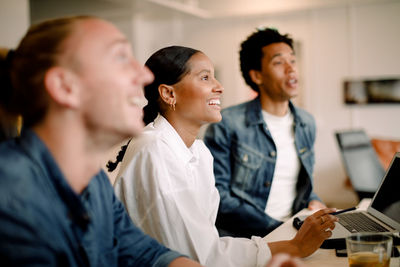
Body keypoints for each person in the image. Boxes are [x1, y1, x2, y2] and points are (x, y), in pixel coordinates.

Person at [0, 16, 203, 267]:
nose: (144, 75)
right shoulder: (9, 196)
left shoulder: (92, 182)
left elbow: (142, 252)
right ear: (64, 87)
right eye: (119, 57)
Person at [110, 45, 338, 267]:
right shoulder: (155, 149)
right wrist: (294, 246)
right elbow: (199, 256)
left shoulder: (198, 151)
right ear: (169, 93)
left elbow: (207, 243)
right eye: (205, 77)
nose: (219, 87)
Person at [203, 27, 326, 238]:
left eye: (293, 61)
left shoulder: (307, 123)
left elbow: (303, 186)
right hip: (245, 238)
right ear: (257, 75)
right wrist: (280, 227)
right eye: (279, 62)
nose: (291, 69)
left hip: (295, 230)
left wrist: (314, 202)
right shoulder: (226, 124)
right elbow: (218, 196)